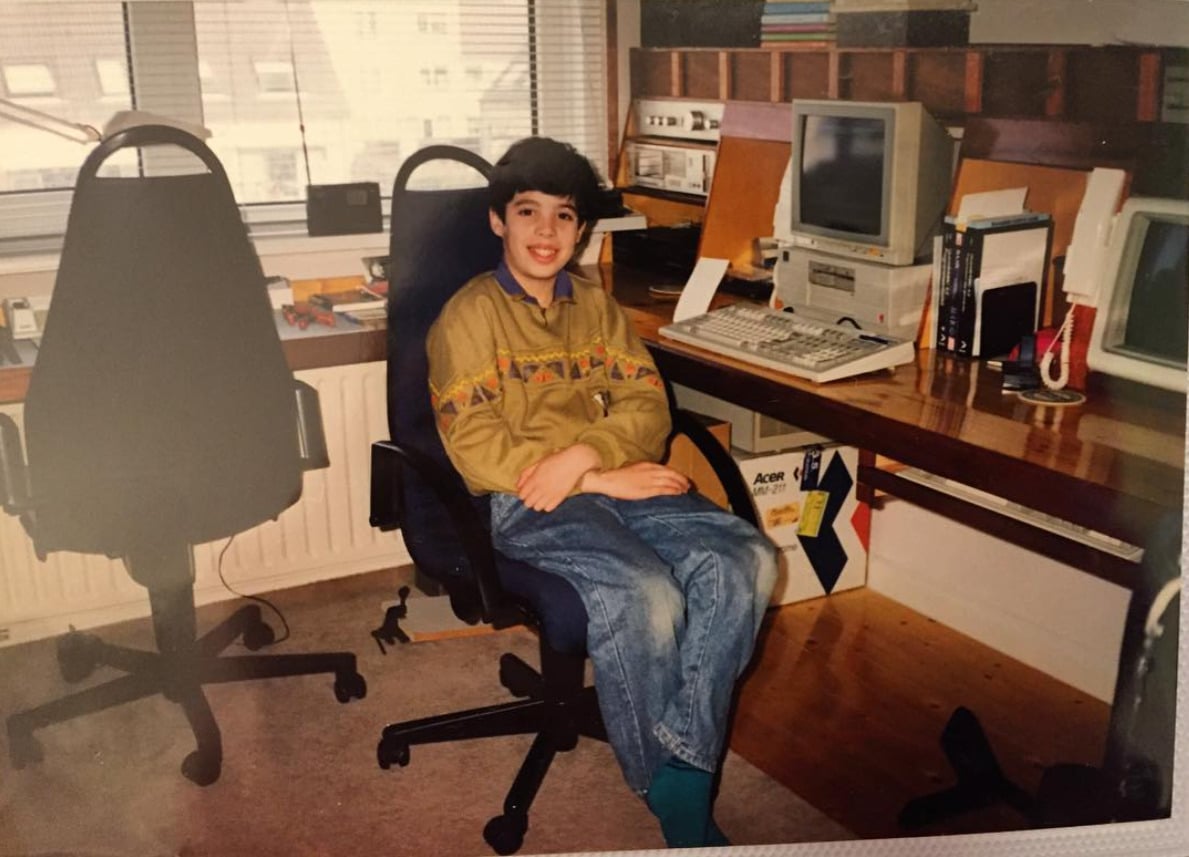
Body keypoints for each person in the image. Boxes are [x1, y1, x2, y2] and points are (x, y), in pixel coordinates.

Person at [426, 136, 777, 848]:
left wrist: (590, 457)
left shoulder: (598, 308)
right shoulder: (464, 318)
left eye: (564, 216)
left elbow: (649, 408)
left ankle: (683, 753)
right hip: (525, 500)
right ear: (498, 221)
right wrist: (583, 476)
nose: (547, 233)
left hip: (611, 480)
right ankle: (673, 795)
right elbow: (474, 445)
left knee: (747, 558)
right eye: (528, 213)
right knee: (646, 591)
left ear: (582, 229)